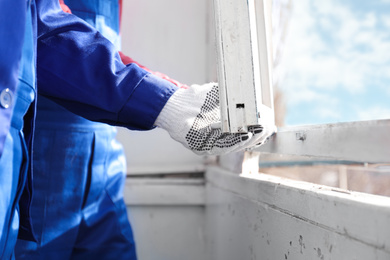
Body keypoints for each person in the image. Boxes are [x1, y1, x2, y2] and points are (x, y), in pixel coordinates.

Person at [0, 0, 275, 259]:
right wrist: (166, 101)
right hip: (44, 158)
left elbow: (84, 42)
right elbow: (49, 36)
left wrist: (173, 95)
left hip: (105, 164)